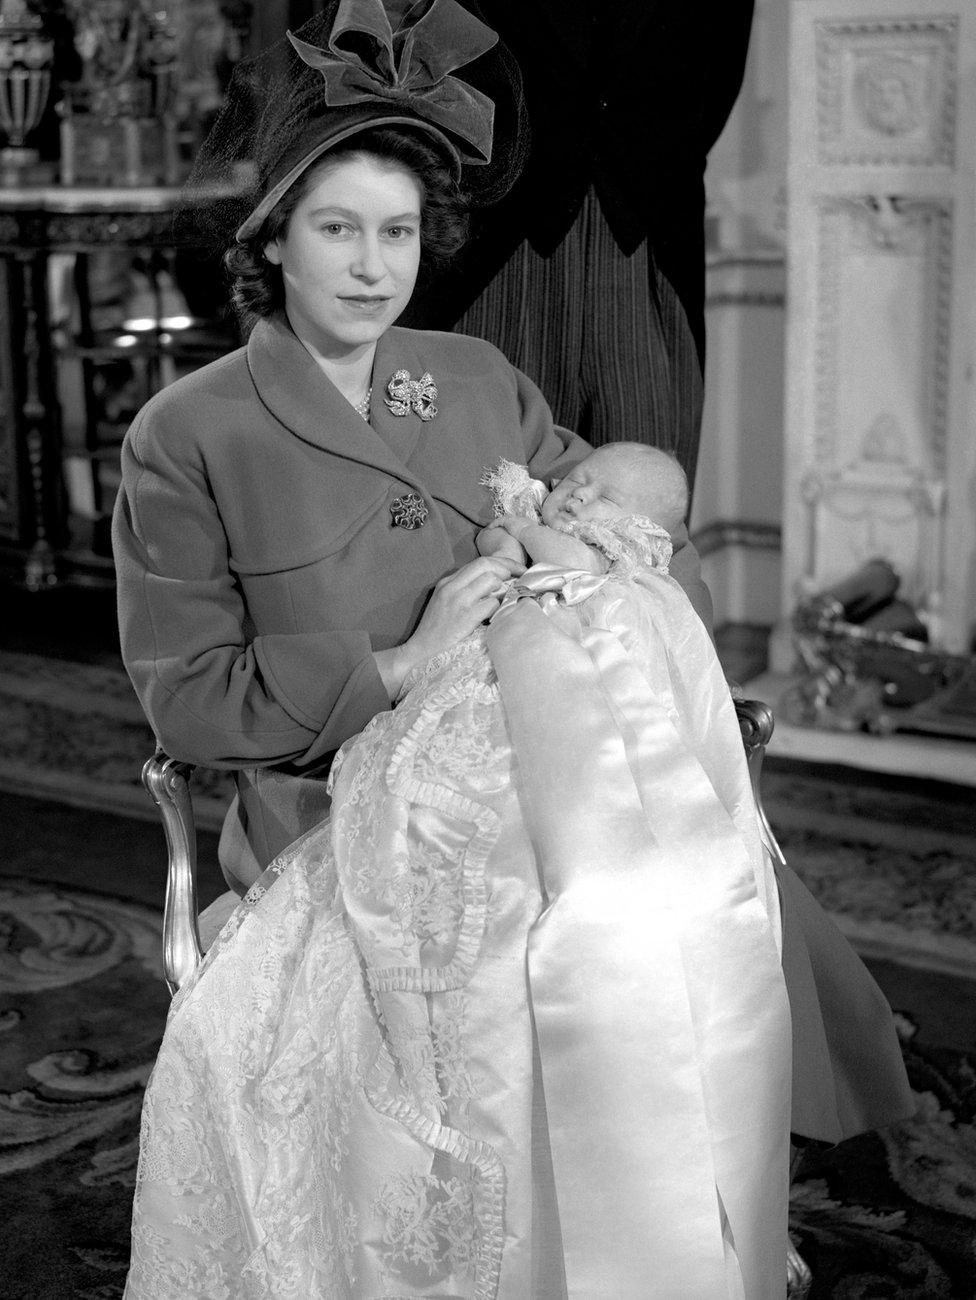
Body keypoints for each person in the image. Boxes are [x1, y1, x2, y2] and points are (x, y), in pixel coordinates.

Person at [113, 1, 912, 1295]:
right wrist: (396, 663)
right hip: (336, 821)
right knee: (593, 933)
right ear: (274, 240)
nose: (374, 267)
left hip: (523, 770)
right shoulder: (189, 434)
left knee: (672, 891)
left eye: (398, 232)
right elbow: (191, 702)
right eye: (338, 230)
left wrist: (614, 543)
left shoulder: (475, 374)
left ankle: (660, 1248)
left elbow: (609, 519)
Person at [125, 436, 795, 1297]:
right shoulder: (194, 431)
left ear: (644, 527)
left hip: (571, 691)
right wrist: (504, 538)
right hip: (489, 679)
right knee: (437, 787)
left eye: (598, 495)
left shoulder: (611, 562)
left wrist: (523, 525)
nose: (574, 497)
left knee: (575, 828)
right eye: (574, 484)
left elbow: (553, 559)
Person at [401, 2, 757, 498]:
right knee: (474, 497)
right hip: (491, 246)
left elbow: (715, 80)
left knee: (640, 516)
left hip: (646, 246)